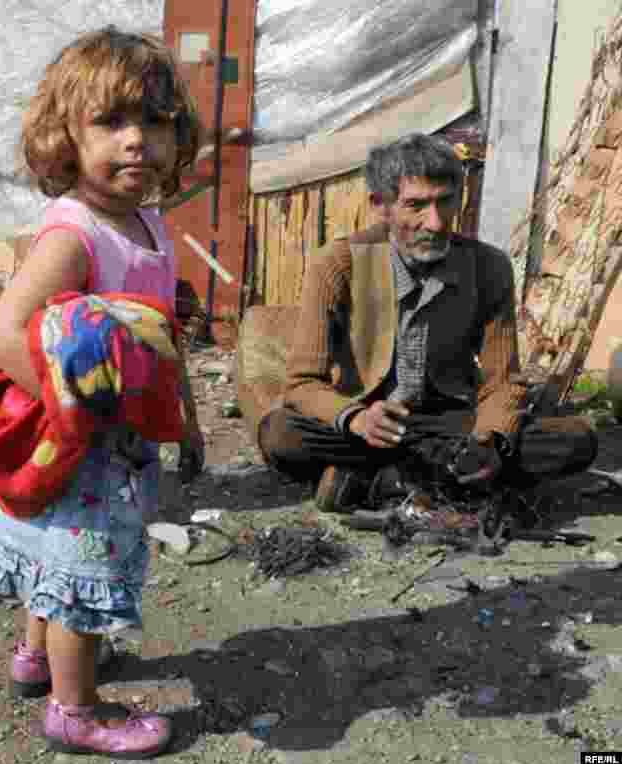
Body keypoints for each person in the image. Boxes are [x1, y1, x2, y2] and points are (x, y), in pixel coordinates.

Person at [0, 27, 203, 758]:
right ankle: (75, 711)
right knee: (81, 574)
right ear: (65, 138)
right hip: (88, 443)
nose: (137, 141)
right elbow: (12, 330)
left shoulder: (146, 223)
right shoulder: (74, 236)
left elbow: (161, 336)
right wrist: (68, 420)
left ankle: (37, 658)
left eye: (155, 120)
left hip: (116, 431)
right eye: (110, 123)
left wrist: (189, 424)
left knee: (55, 559)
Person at [248, 133, 597, 514]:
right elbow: (301, 384)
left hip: (448, 425)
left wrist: (487, 440)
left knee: (575, 440)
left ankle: (379, 481)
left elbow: (503, 382)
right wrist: (357, 418)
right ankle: (423, 482)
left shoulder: (488, 268)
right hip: (365, 424)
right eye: (416, 205)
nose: (434, 221)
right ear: (380, 207)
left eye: (445, 201)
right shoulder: (338, 264)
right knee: (281, 433)